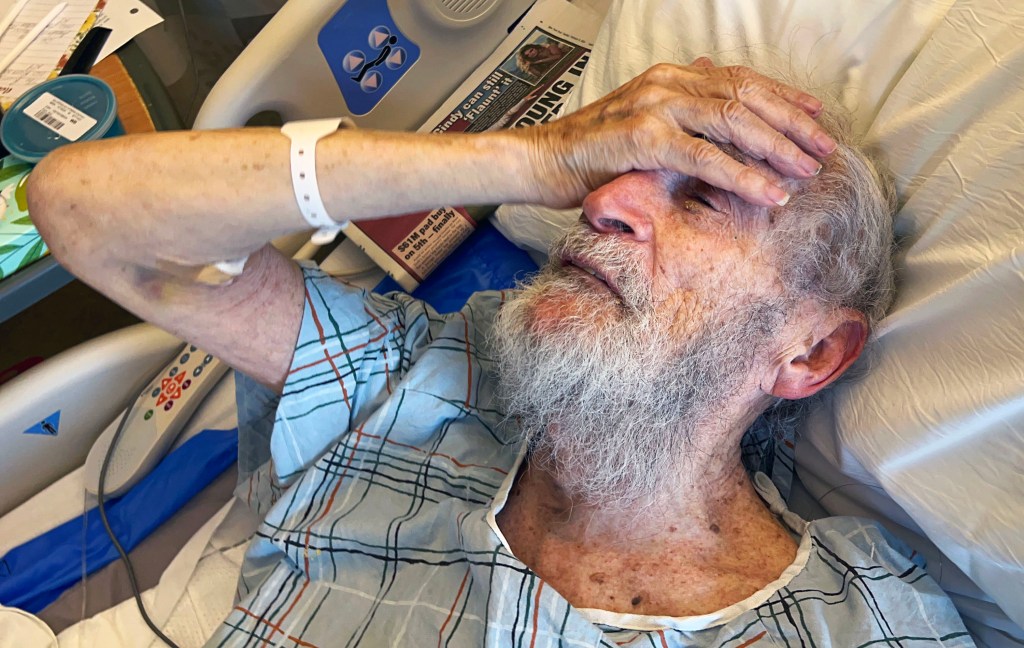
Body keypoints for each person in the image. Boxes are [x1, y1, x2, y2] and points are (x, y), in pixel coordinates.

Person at [27, 61, 972, 646]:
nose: (602, 206)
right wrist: (533, 159)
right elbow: (77, 206)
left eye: (700, 202)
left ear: (809, 354)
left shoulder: (863, 618)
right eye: (605, 180)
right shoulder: (417, 381)